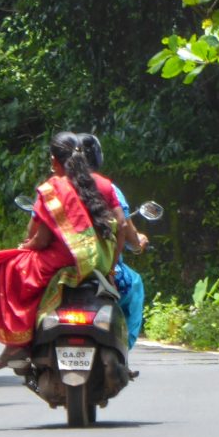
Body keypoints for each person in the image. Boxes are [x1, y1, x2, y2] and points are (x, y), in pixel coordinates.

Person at [0, 131, 128, 372]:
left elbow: (42, 239)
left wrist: (27, 246)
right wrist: (111, 263)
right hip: (99, 262)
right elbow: (122, 225)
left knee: (4, 267)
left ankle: (20, 340)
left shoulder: (52, 188)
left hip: (61, 261)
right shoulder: (104, 184)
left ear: (55, 161)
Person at [79, 133, 148, 349]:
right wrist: (137, 243)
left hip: (59, 268)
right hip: (103, 269)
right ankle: (123, 350)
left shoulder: (53, 188)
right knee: (134, 284)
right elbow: (124, 228)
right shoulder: (108, 188)